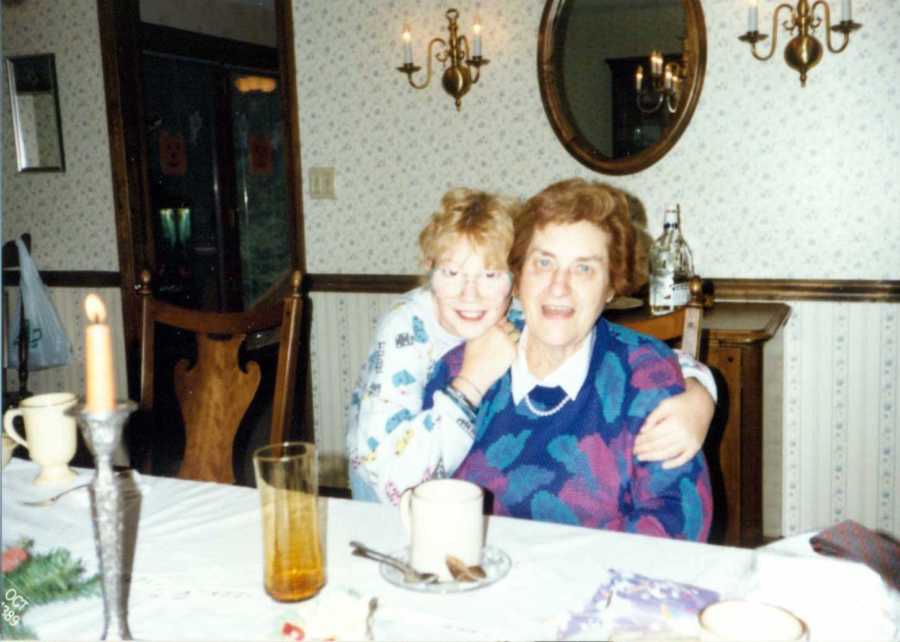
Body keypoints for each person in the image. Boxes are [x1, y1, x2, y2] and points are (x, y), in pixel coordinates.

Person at [348, 186, 716, 508]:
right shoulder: (405, 331)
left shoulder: (522, 310)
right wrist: (469, 384)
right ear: (429, 270)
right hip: (383, 487)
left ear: (513, 278)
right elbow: (389, 480)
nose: (470, 293)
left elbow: (653, 361)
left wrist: (700, 396)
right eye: (451, 272)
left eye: (490, 275)